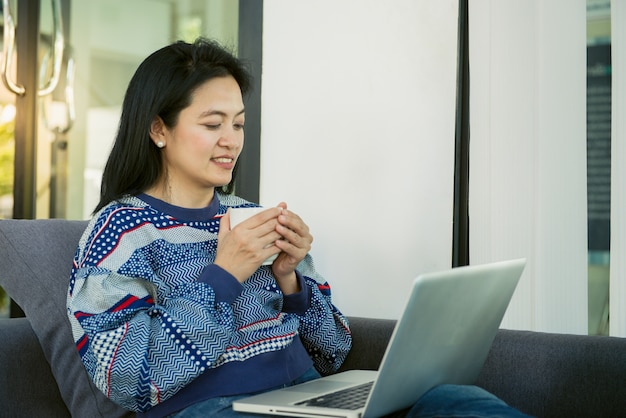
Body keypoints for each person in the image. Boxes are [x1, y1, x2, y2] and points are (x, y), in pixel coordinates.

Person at [66, 38, 531, 418]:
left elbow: (333, 351)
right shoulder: (120, 231)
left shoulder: (254, 217)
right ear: (158, 130)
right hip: (213, 409)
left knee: (456, 403)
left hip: (308, 398)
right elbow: (124, 379)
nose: (231, 141)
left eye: (239, 124)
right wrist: (224, 275)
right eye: (212, 124)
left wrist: (291, 280)